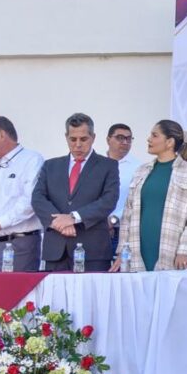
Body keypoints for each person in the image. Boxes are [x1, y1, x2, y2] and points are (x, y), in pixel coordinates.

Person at [110, 120, 187, 272]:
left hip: (171, 250)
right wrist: (122, 251)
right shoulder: (141, 170)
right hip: (136, 249)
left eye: (154, 135)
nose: (149, 139)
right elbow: (127, 214)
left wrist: (184, 251)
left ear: (169, 142)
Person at [33, 113, 119, 272]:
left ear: (93, 137)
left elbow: (109, 200)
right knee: (55, 297)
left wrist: (73, 218)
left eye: (83, 139)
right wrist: (59, 223)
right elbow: (38, 198)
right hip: (56, 251)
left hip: (93, 251)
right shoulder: (50, 166)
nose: (78, 144)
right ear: (66, 137)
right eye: (73, 139)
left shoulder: (108, 166)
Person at [0, 116, 45, 272]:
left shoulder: (31, 160)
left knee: (17, 294)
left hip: (19, 245)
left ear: (2, 134)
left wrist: (0, 222)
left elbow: (31, 201)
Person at [106, 123, 141, 252]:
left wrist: (113, 220)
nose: (125, 142)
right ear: (108, 139)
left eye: (128, 138)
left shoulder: (139, 168)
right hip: (96, 229)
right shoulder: (97, 164)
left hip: (124, 231)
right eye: (120, 138)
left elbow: (138, 200)